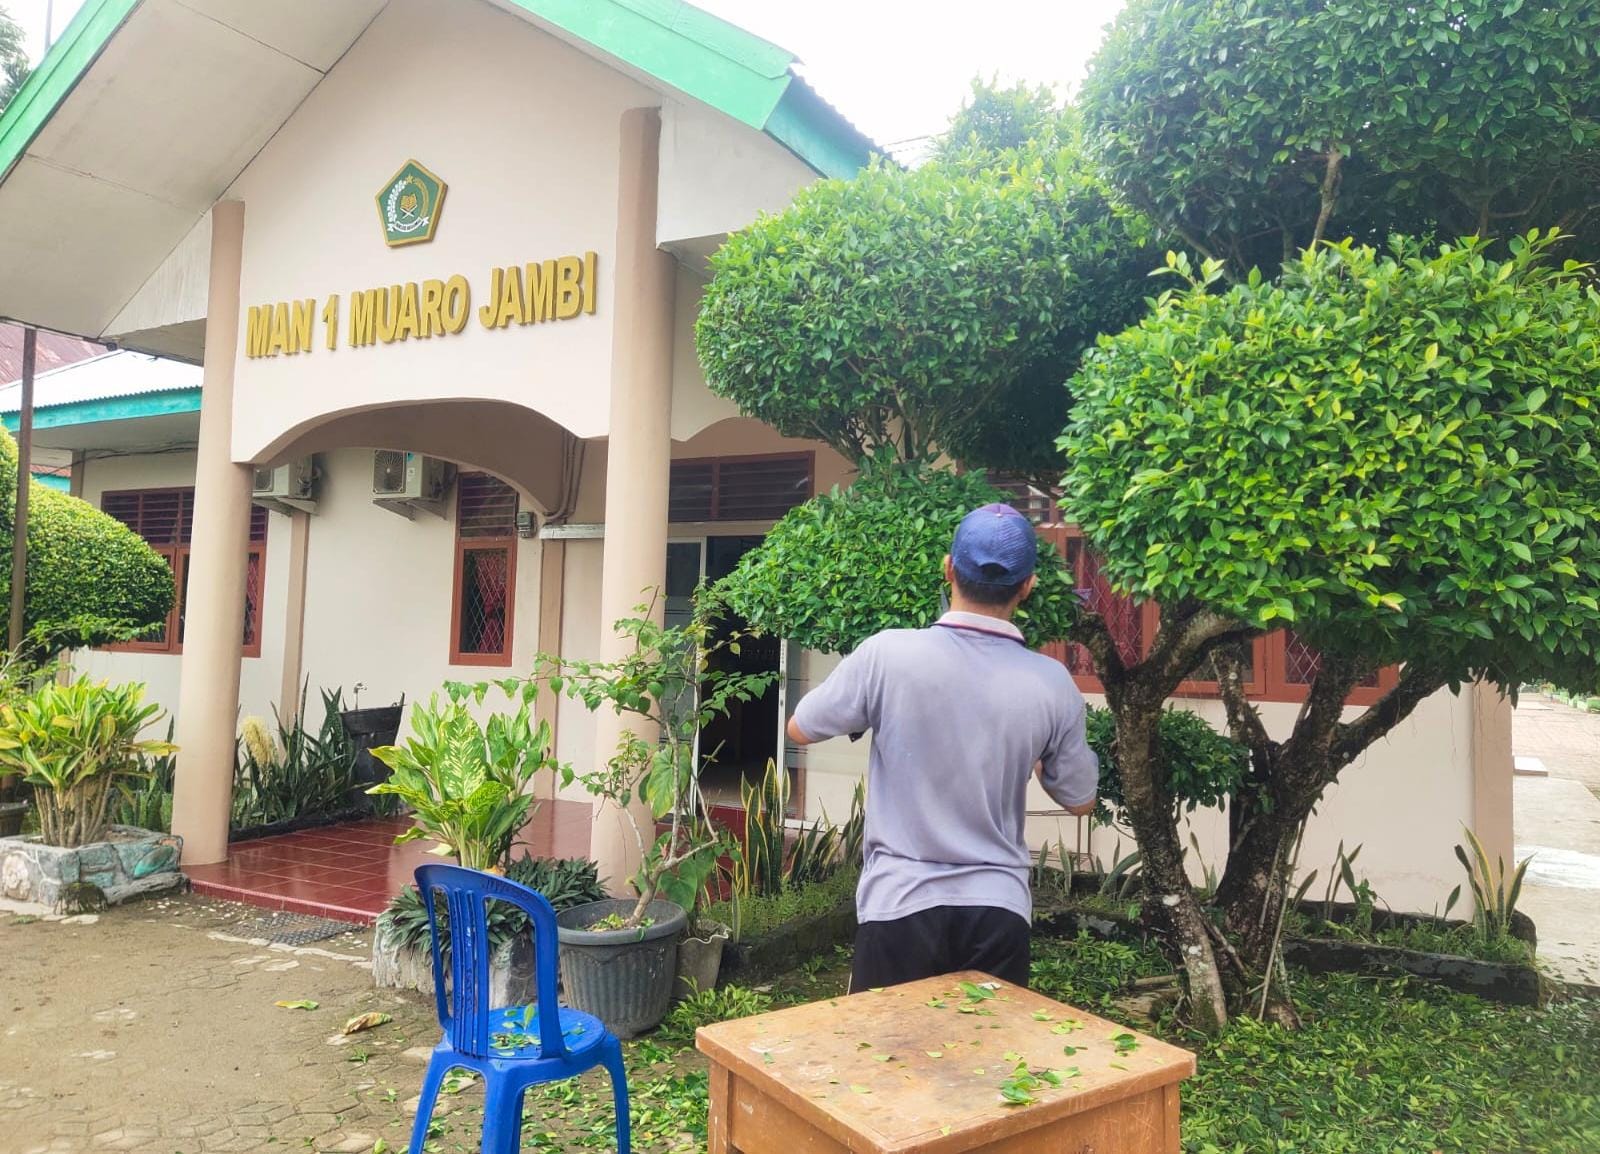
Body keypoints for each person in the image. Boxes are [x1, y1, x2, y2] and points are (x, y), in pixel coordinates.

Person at [786, 503, 1099, 991]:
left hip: (899, 906)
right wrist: (1037, 755)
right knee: (985, 1044)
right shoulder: (1053, 682)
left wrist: (879, 713)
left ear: (948, 568)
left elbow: (800, 728)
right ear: (1027, 586)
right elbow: (1081, 800)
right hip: (997, 912)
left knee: (884, 1043)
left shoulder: (887, 655)